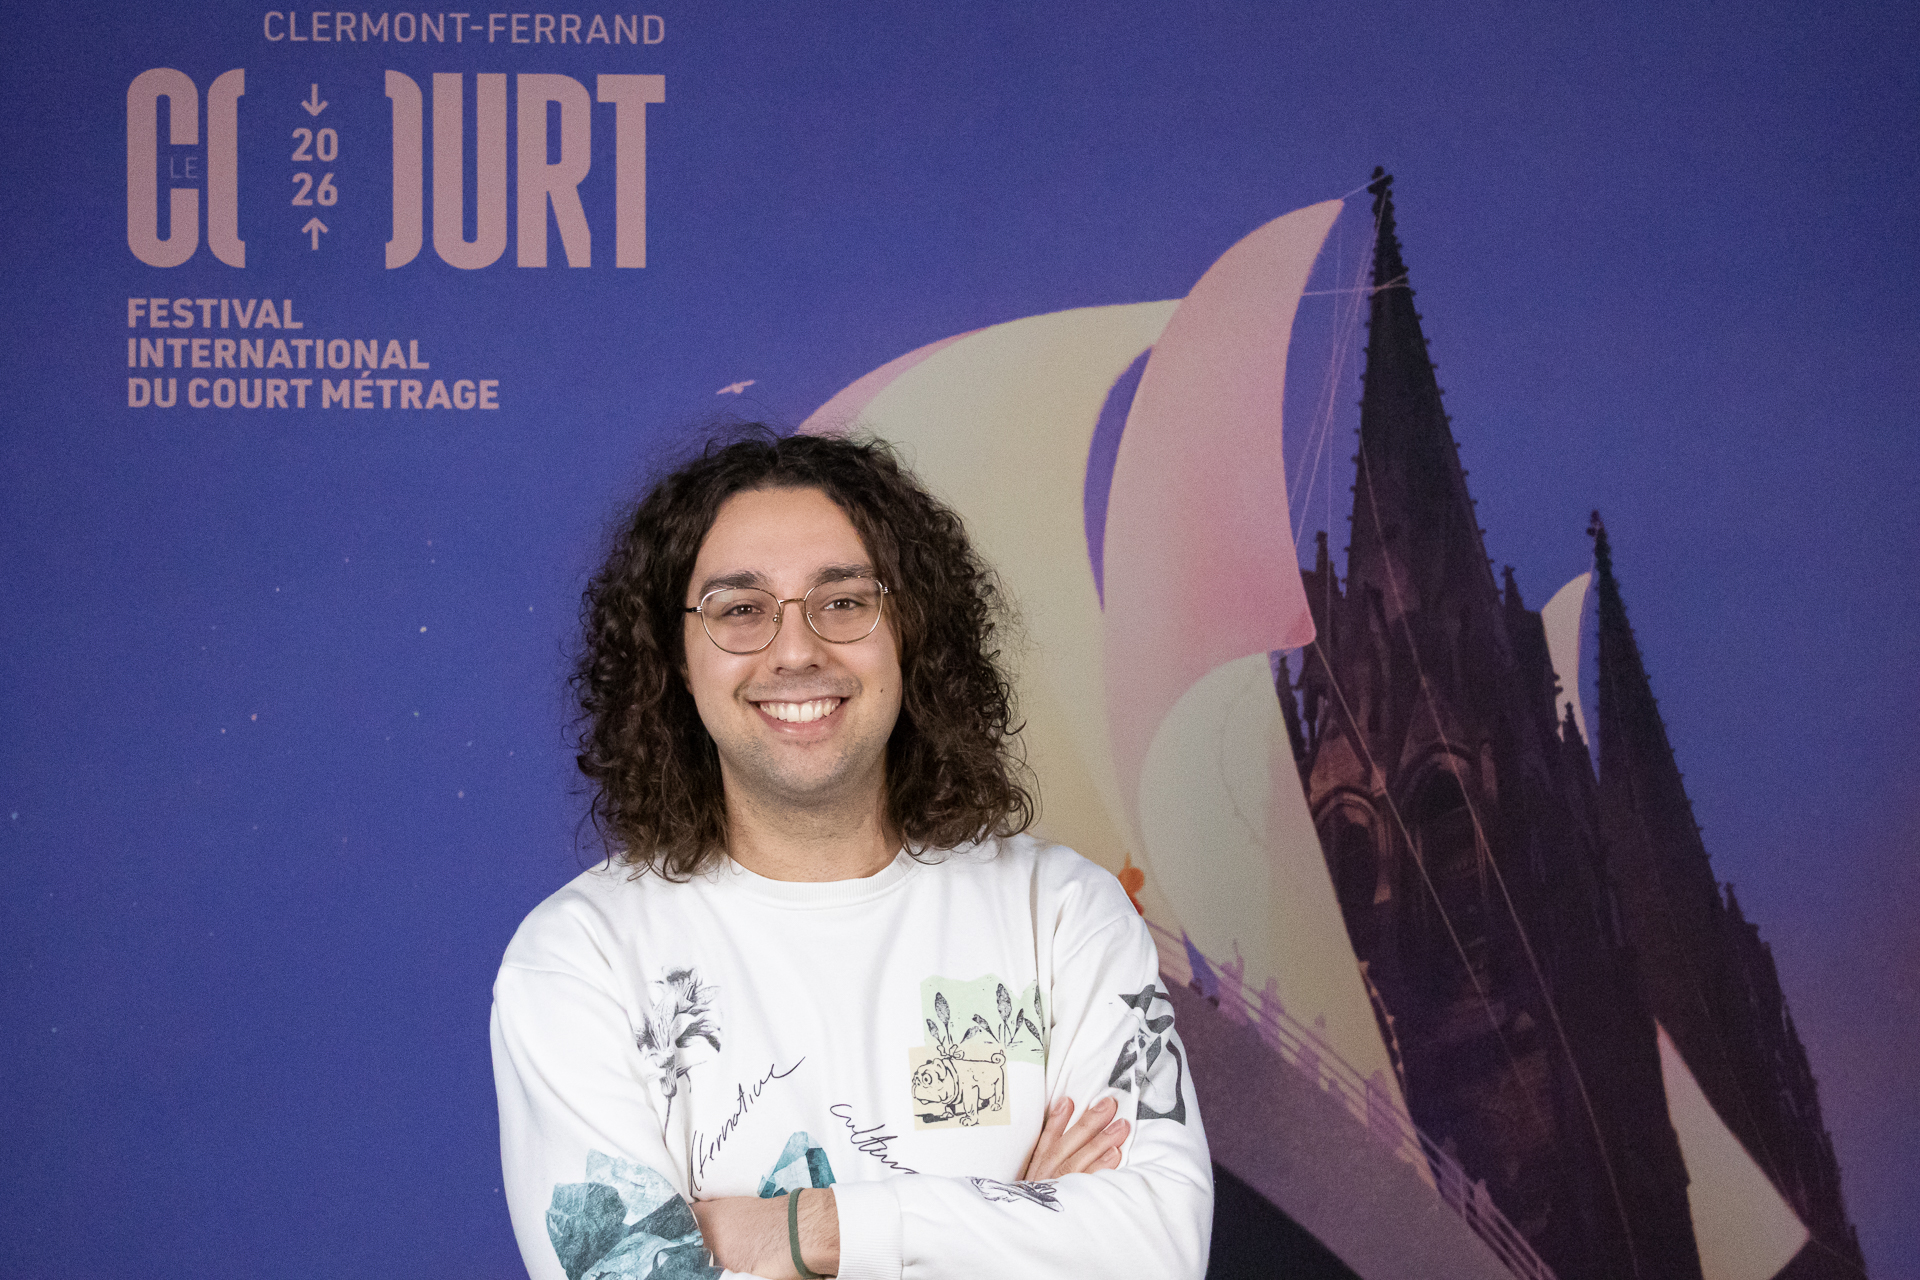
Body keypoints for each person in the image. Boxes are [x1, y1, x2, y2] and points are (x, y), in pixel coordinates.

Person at [491, 430, 1212, 1280]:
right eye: (740, 609)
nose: (797, 651)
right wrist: (1010, 1221)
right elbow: (625, 1268)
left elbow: (1155, 1252)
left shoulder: (1062, 916)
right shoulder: (579, 960)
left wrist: (804, 1229)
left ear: (909, 631)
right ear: (676, 660)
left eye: (842, 601)